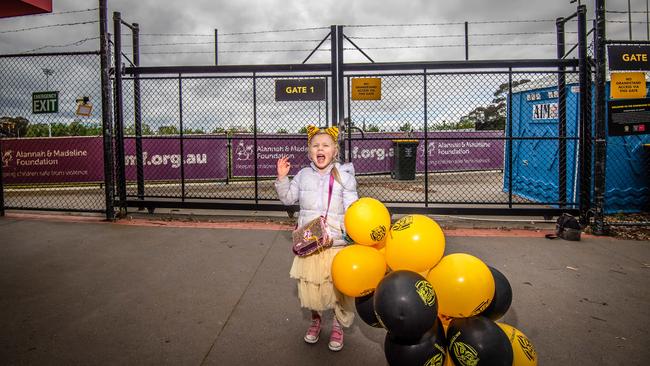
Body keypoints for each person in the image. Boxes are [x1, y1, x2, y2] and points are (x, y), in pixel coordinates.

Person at [275, 125, 358, 352]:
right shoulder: (302, 175)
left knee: (337, 289)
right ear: (309, 151)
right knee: (312, 287)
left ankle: (338, 325)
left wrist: (356, 227)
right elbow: (288, 199)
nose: (320, 149)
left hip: (336, 243)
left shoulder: (345, 176)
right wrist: (282, 179)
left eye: (325, 145)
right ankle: (316, 320)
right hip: (311, 243)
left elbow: (353, 209)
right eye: (315, 146)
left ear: (334, 151)